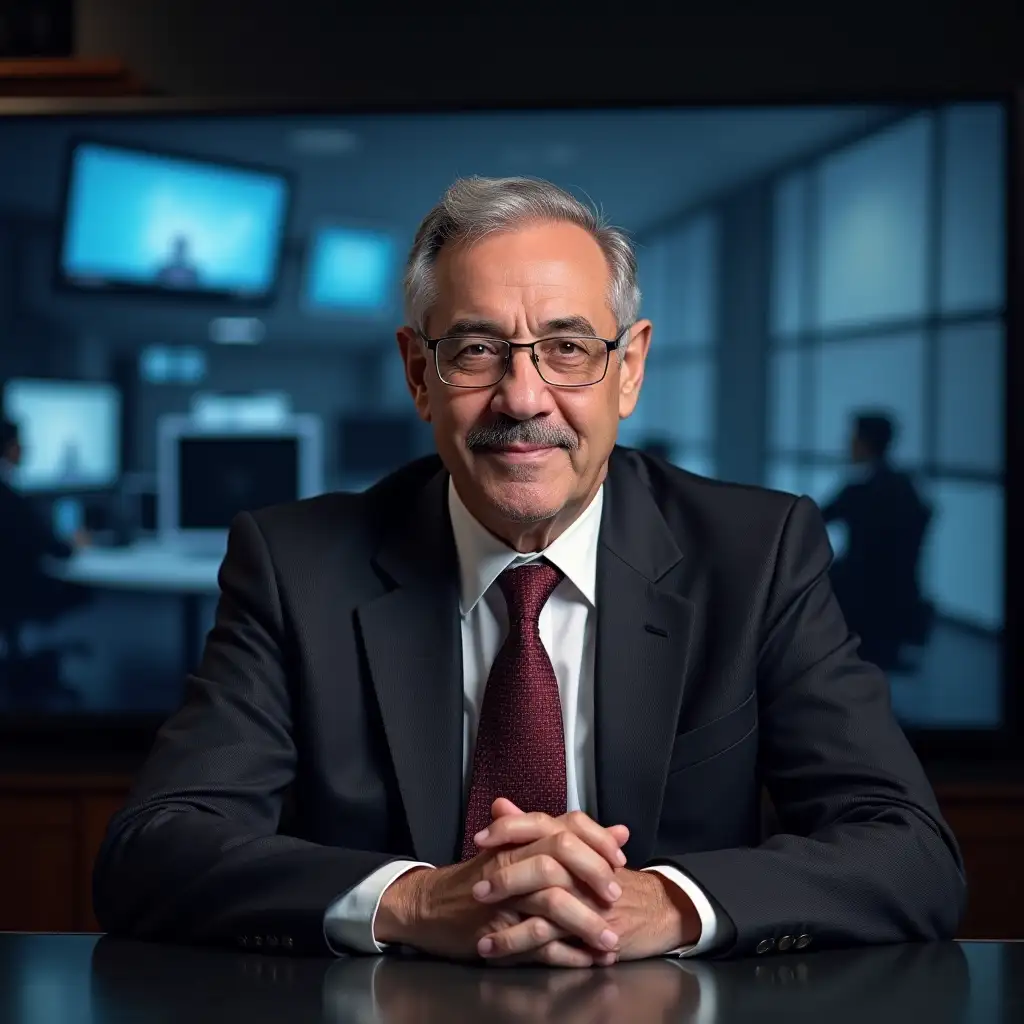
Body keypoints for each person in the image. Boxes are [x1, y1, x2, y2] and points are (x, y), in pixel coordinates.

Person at [93, 178, 964, 967]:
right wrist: (416, 898)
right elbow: (155, 850)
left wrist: (662, 902)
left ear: (629, 370)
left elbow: (909, 850)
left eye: (568, 348)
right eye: (476, 350)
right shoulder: (296, 566)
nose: (522, 397)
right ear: (417, 373)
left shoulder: (758, 554)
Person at [821, 412, 934, 670]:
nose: (846, 444)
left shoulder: (861, 490)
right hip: (898, 595)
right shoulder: (906, 486)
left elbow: (813, 519)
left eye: (852, 438)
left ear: (865, 442)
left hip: (862, 595)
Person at [0, 416, 90, 660]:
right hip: (22, 592)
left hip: (8, 592)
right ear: (9, 448)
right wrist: (75, 544)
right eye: (19, 443)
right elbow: (56, 549)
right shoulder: (14, 503)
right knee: (81, 589)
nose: (25, 449)